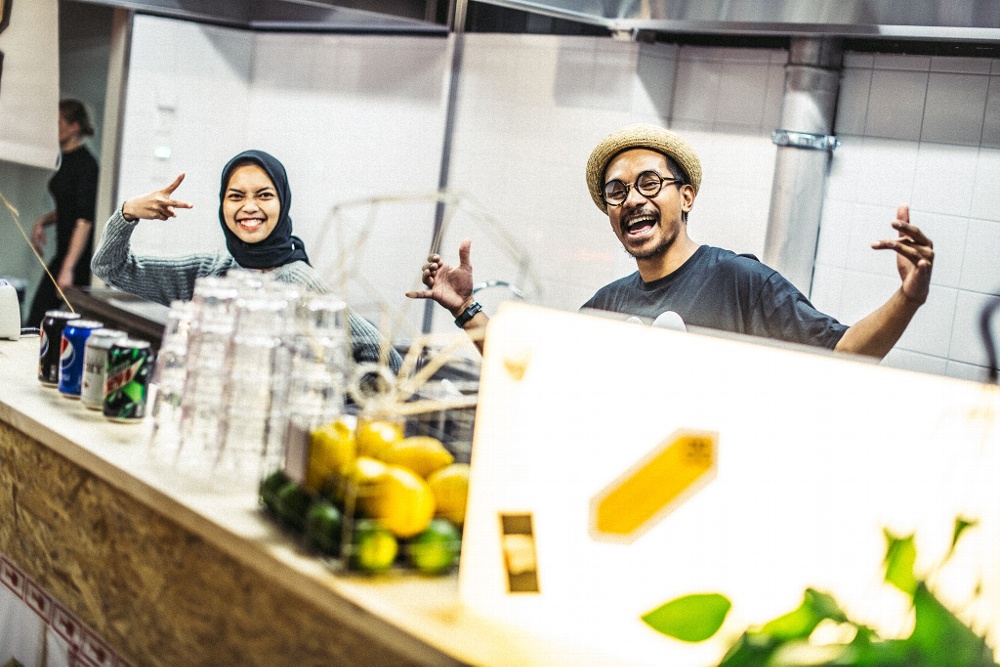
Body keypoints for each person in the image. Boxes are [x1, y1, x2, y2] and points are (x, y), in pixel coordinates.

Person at [406, 123, 934, 359]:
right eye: (616, 192)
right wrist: (466, 309)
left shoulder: (738, 279)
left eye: (649, 184)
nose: (632, 199)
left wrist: (907, 299)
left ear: (687, 197)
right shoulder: (609, 303)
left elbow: (841, 352)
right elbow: (528, 365)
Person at [91, 149, 401, 372]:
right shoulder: (209, 271)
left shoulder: (299, 283)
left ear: (283, 202)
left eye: (264, 195)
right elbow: (109, 267)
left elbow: (386, 357)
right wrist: (128, 213)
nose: (249, 207)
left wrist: (334, 407)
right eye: (236, 196)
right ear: (223, 205)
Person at [28, 99, 100, 327]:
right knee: (38, 317)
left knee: (43, 320)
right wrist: (43, 221)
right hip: (62, 255)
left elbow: (84, 220)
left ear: (74, 127)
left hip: (77, 261)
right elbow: (67, 207)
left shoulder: (86, 165)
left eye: (59, 122)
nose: (54, 127)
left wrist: (68, 269)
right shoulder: (66, 159)